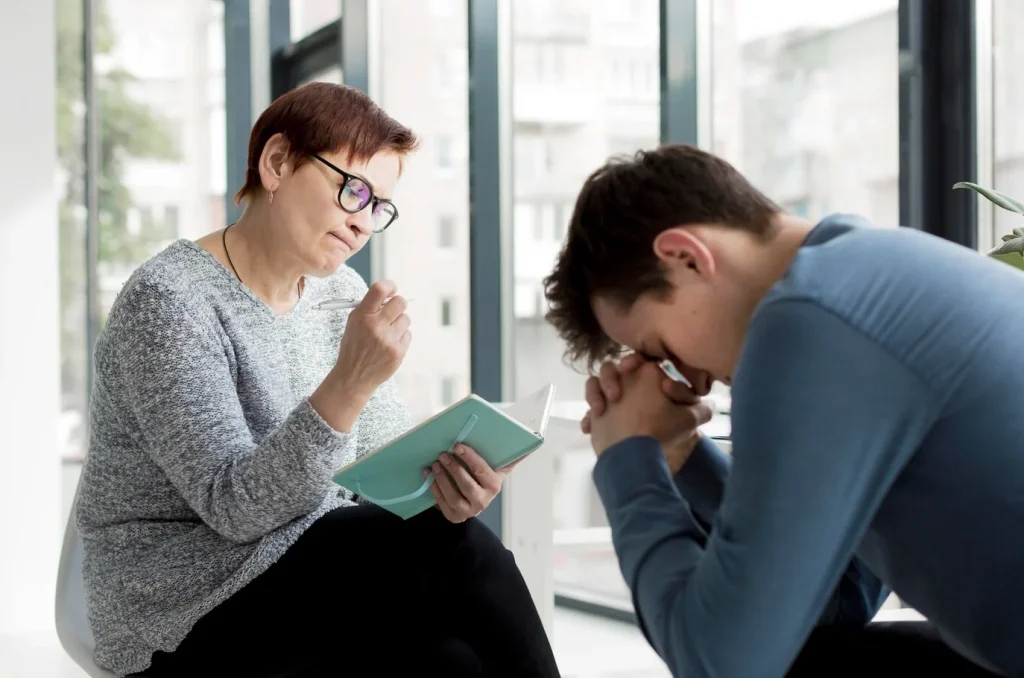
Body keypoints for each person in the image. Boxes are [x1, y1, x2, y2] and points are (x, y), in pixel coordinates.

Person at [75, 82, 560, 678]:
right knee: (467, 553)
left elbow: (382, 481)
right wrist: (349, 383)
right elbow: (236, 509)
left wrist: (450, 485)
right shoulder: (170, 302)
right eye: (353, 191)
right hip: (179, 614)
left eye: (378, 207)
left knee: (453, 661)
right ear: (277, 163)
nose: (363, 225)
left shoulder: (342, 297)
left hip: (307, 582)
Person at [542, 144, 1024, 677]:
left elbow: (720, 664)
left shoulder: (810, 322)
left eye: (660, 349)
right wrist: (682, 455)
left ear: (686, 257)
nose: (688, 379)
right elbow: (837, 600)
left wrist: (627, 460)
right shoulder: (860, 273)